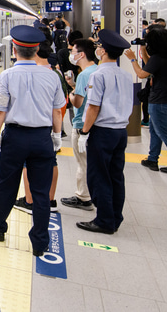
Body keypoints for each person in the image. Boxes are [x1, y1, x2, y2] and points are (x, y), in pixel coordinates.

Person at [0, 26, 64, 257]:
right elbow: (57, 111)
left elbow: (0, 109)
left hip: (15, 138)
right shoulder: (52, 76)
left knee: (6, 185)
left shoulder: (7, 76)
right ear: (37, 49)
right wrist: (57, 136)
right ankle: (40, 243)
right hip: (42, 138)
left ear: (14, 49)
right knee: (41, 193)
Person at [76, 30, 133, 234]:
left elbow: (93, 107)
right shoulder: (126, 76)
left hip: (102, 132)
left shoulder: (98, 75)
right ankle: (115, 217)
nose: (97, 48)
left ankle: (104, 220)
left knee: (98, 176)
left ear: (103, 51)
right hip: (120, 132)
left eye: (99, 46)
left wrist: (84, 132)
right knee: (116, 176)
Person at [124, 27, 167, 174]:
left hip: (160, 101)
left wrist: (132, 60)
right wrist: (143, 51)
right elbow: (151, 67)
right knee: (155, 131)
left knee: (164, 133)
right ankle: (152, 159)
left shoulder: (158, 58)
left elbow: (142, 74)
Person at [60, 39, 98, 210]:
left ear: (81, 54)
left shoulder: (83, 75)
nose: (71, 55)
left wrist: (71, 90)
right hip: (95, 124)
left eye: (73, 51)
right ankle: (90, 193)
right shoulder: (97, 70)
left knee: (82, 163)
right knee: (89, 162)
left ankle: (83, 197)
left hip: (82, 124)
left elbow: (77, 103)